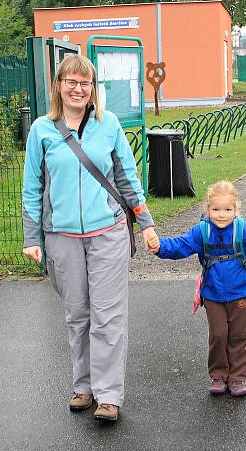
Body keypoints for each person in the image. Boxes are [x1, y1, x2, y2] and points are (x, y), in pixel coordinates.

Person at [21, 54, 158, 423]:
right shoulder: (42, 130)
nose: (78, 89)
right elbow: (32, 187)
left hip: (107, 232)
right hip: (62, 237)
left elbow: (126, 177)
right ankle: (84, 386)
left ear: (93, 89)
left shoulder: (108, 124)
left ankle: (109, 394)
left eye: (85, 83)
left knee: (108, 315)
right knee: (77, 314)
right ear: (59, 87)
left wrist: (145, 222)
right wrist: (31, 236)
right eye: (71, 81)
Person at [147, 180, 246, 397]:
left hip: (240, 294)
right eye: (216, 209)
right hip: (213, 294)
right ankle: (218, 375)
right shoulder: (202, 232)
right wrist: (159, 246)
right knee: (218, 334)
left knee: (238, 336)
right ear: (208, 210)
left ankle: (236, 378)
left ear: (236, 210)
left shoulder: (244, 231)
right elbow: (181, 245)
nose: (222, 214)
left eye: (227, 209)